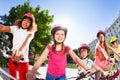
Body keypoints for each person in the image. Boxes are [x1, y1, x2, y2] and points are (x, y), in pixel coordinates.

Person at [26, 26, 90, 80]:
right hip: (50, 76)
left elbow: (75, 58)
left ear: (65, 36)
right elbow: (42, 58)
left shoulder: (67, 48)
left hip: (62, 76)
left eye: (62, 34)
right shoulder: (50, 46)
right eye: (57, 34)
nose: (60, 36)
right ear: (53, 36)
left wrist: (87, 68)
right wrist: (33, 71)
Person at [0, 13, 37, 80]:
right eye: (25, 20)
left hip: (23, 60)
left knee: (23, 79)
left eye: (29, 22)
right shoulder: (16, 28)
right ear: (21, 20)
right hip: (13, 58)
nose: (26, 23)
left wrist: (19, 50)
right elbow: (2, 27)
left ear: (31, 24)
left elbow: (27, 40)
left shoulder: (31, 31)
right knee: (12, 78)